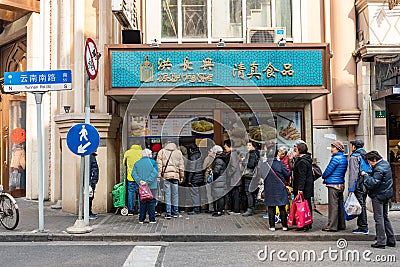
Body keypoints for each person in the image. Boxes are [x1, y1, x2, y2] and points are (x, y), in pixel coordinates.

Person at [361, 151, 396, 249]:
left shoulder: (379, 168)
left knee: (379, 218)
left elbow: (373, 183)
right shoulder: (385, 164)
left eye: (370, 161)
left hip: (378, 195)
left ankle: (381, 241)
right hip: (386, 194)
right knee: (385, 217)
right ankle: (391, 239)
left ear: (375, 160)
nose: (369, 163)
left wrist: (365, 176)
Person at [262, 144, 291, 231]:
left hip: (269, 188)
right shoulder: (280, 164)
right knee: (282, 207)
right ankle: (284, 226)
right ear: (276, 154)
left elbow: (262, 176)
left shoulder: (263, 165)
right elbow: (287, 174)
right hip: (280, 188)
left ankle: (272, 226)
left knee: (271, 208)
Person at [321, 140, 348, 232]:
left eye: (333, 147)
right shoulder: (344, 158)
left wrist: (323, 176)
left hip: (333, 184)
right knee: (340, 205)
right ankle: (341, 224)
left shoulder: (336, 158)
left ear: (337, 149)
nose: (331, 149)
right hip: (340, 183)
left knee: (333, 206)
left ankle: (332, 226)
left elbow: (328, 170)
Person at [157, 141, 184, 219]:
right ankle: (175, 212)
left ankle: (168, 213)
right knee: (175, 194)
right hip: (175, 176)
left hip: (166, 176)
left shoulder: (161, 152)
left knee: (167, 194)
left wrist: (159, 176)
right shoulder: (178, 152)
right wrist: (181, 176)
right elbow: (181, 166)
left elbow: (159, 165)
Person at [348, 139, 369, 234]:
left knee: (361, 205)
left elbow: (353, 174)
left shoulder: (354, 157)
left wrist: (351, 188)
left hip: (359, 185)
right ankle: (362, 226)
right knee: (362, 203)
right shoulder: (365, 155)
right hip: (366, 183)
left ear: (354, 147)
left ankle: (363, 227)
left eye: (351, 145)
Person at [132, 149, 159, 224]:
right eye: (150, 154)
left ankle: (141, 219)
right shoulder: (153, 162)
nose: (151, 155)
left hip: (140, 187)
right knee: (151, 203)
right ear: (148, 155)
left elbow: (133, 174)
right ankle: (152, 219)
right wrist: (147, 182)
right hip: (152, 186)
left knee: (142, 202)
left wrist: (140, 181)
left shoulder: (137, 163)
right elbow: (155, 173)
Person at [292, 140, 314, 231]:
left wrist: (300, 189)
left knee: (304, 206)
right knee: (307, 205)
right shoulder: (306, 159)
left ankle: (305, 224)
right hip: (307, 187)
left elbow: (302, 176)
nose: (295, 151)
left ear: (300, 150)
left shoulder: (302, 162)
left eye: (296, 149)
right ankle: (306, 223)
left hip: (304, 188)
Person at [123, 144, 143, 215]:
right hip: (139, 177)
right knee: (140, 194)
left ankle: (131, 210)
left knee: (130, 193)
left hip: (130, 176)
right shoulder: (142, 153)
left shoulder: (127, 152)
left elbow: (124, 163)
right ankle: (140, 210)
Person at [242, 141, 260, 216]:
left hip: (250, 175)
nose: (248, 147)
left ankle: (250, 209)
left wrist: (243, 161)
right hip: (254, 176)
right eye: (247, 145)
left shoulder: (252, 154)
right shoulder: (256, 153)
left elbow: (251, 165)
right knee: (252, 193)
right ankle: (252, 208)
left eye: (249, 145)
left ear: (253, 146)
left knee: (249, 193)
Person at [224, 139, 242, 215]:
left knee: (235, 194)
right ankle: (234, 209)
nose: (225, 148)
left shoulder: (233, 154)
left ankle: (236, 210)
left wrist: (228, 174)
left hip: (234, 178)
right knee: (234, 194)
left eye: (225, 146)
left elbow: (234, 167)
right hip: (234, 177)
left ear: (230, 146)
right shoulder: (234, 153)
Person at [187, 143, 205, 214]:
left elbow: (192, 169)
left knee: (195, 194)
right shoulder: (201, 155)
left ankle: (196, 209)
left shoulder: (193, 157)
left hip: (195, 177)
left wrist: (189, 179)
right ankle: (199, 208)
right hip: (200, 177)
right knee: (198, 193)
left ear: (191, 150)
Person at [210, 145, 227, 216]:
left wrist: (211, 171)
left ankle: (220, 211)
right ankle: (220, 210)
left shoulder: (218, 160)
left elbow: (216, 171)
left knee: (219, 196)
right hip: (221, 180)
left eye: (212, 152)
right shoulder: (220, 159)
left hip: (219, 180)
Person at [203, 146, 217, 213]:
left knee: (209, 194)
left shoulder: (208, 158)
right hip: (215, 178)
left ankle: (211, 209)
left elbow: (203, 167)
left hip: (209, 177)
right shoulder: (216, 158)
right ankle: (215, 208)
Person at [89, 151, 99, 220]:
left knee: (90, 197)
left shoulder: (91, 157)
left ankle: (89, 212)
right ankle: (88, 213)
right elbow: (91, 170)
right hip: (91, 181)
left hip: (92, 181)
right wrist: (90, 182)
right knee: (89, 197)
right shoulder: (90, 157)